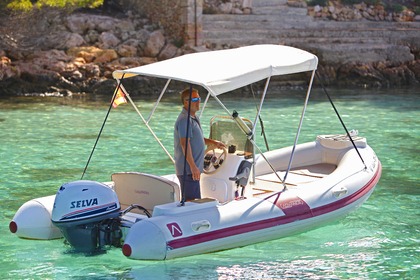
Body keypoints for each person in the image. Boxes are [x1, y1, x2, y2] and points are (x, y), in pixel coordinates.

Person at [174, 88, 225, 201]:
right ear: (186, 102)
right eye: (195, 99)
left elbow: (196, 139)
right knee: (192, 203)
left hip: (192, 169)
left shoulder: (193, 117)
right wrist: (193, 167)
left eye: (199, 99)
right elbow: (184, 144)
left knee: (194, 201)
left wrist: (213, 143)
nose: (198, 102)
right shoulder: (185, 120)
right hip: (188, 170)